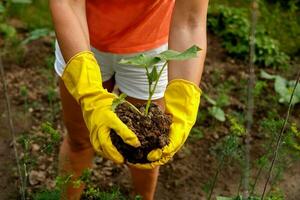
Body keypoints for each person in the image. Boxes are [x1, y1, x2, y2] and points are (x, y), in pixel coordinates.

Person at [49, 0, 208, 199]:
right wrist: (90, 94)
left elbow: (190, 20)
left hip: (152, 44)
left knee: (146, 149)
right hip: (79, 35)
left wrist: (185, 99)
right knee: (79, 141)